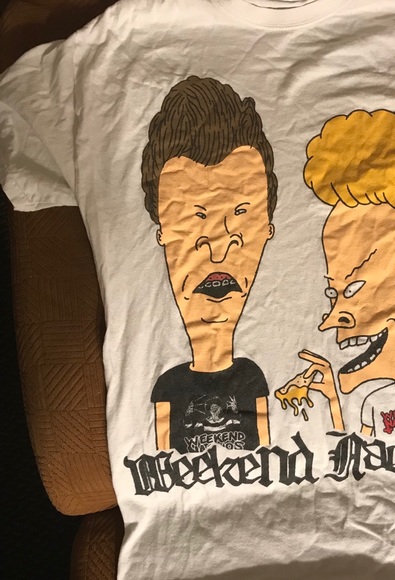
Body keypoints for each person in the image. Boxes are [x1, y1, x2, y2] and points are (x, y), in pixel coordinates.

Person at [278, 109, 395, 437]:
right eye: (333, 294)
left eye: (354, 290)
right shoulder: (373, 402)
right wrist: (332, 399)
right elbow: (349, 452)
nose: (329, 320)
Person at [141, 76, 277, 454]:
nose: (218, 249)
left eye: (241, 213)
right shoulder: (166, 386)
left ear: (267, 228)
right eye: (195, 217)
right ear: (162, 232)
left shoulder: (254, 377)